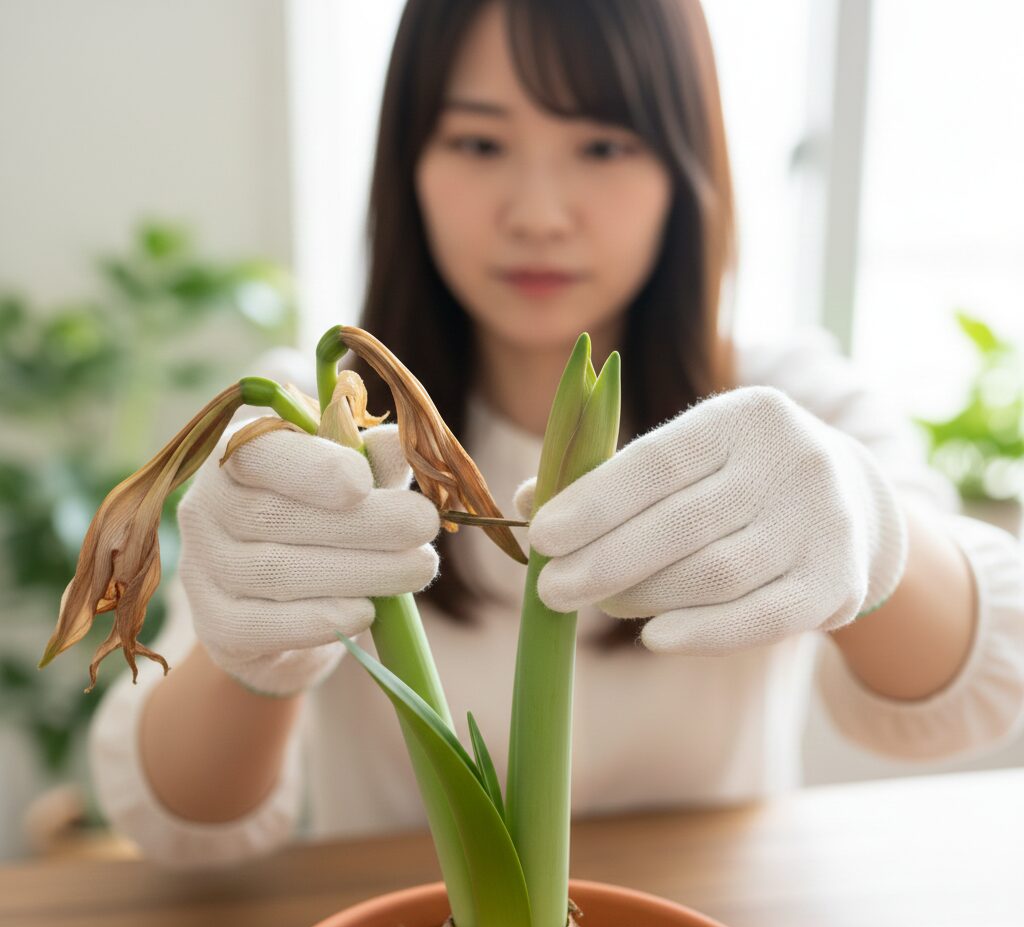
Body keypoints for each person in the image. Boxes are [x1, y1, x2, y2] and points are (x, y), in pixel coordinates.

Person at [89, 0, 1024, 869]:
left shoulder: (784, 402)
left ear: (685, 167)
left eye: (605, 145)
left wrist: (873, 530)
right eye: (480, 140)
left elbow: (975, 693)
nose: (538, 214)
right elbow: (182, 822)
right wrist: (250, 652)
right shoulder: (316, 418)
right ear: (406, 161)